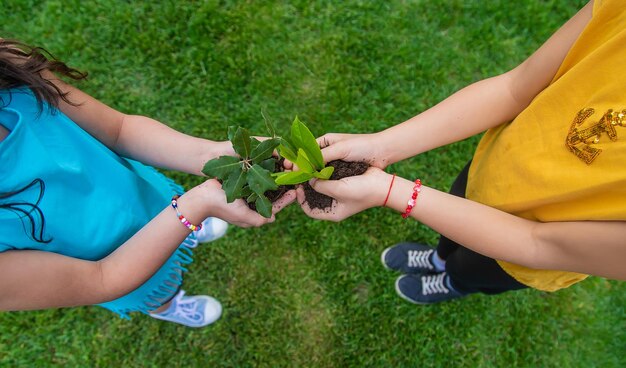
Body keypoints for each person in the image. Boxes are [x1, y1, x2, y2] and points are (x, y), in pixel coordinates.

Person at [299, 0, 626, 304]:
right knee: (449, 231)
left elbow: (537, 242)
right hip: (489, 170)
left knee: (472, 270)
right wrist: (381, 146)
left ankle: (452, 281)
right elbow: (515, 88)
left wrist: (388, 191)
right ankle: (438, 257)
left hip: (521, 253)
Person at [0, 40, 295, 327]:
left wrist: (210, 155)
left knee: (167, 214)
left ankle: (185, 229)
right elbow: (103, 278)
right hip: (115, 259)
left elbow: (118, 130)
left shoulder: (7, 67)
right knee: (158, 288)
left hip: (136, 192)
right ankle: (167, 306)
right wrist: (194, 206)